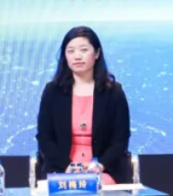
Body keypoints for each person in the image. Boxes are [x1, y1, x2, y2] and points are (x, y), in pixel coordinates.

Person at [37, 26, 130, 184]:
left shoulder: (114, 92)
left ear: (97, 53)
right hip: (61, 169)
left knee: (98, 186)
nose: (77, 56)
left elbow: (120, 140)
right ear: (65, 56)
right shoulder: (52, 91)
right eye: (71, 51)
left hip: (103, 170)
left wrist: (100, 165)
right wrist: (67, 167)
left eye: (84, 50)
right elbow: (45, 137)